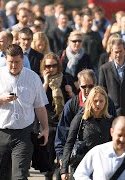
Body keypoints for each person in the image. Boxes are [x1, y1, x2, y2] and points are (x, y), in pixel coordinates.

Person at [0, 44, 49, 180]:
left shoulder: (33, 78)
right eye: (11, 62)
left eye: (17, 62)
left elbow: (39, 106)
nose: (14, 65)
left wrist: (45, 129)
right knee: (1, 176)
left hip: (23, 134)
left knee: (20, 176)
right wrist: (0, 99)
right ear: (6, 59)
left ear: (23, 59)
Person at [60, 86, 114, 180]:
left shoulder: (109, 121)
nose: (98, 104)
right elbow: (69, 143)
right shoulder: (81, 118)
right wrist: (64, 170)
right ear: (90, 101)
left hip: (102, 167)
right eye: (95, 100)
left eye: (101, 101)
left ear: (105, 103)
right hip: (81, 165)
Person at [73, 116, 125, 180]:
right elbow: (80, 174)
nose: (122, 139)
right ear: (112, 132)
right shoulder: (98, 152)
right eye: (119, 135)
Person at [40, 52, 76, 180]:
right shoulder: (40, 80)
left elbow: (77, 102)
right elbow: (38, 100)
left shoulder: (67, 79)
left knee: (63, 159)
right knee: (49, 159)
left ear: (58, 66)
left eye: (54, 66)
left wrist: (71, 92)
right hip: (48, 123)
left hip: (64, 124)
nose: (51, 69)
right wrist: (45, 82)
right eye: (47, 66)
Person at [99, 38, 125, 116]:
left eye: (120, 51)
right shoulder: (104, 69)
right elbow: (102, 90)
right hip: (112, 111)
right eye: (116, 52)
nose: (118, 54)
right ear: (111, 52)